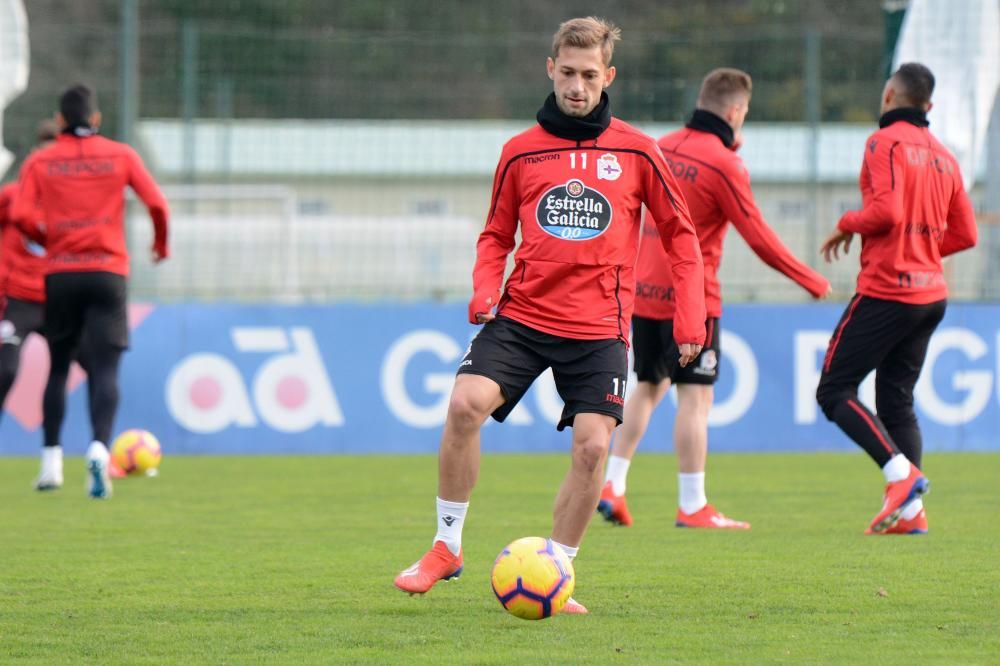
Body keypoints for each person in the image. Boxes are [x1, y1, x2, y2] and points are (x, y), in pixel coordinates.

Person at [394, 17, 706, 613]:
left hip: (599, 328)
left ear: (608, 76)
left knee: (593, 448)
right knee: (463, 406)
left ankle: (556, 572)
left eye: (590, 76)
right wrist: (486, 287)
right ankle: (446, 545)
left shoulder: (640, 150)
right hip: (524, 315)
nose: (577, 87)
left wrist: (690, 320)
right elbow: (494, 234)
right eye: (567, 73)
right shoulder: (519, 152)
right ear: (550, 69)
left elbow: (681, 237)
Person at [598, 68, 832, 529]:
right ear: (736, 111)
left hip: (642, 292)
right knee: (695, 398)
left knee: (647, 387)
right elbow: (759, 237)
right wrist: (811, 279)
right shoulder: (723, 164)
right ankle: (692, 504)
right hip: (691, 299)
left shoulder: (659, 146)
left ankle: (613, 484)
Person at [817, 63, 976, 535]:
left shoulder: (882, 142)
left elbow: (887, 211)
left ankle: (900, 474)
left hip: (889, 290)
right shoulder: (945, 156)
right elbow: (965, 234)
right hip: (931, 294)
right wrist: (924, 251)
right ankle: (911, 514)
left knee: (833, 390)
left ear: (889, 95)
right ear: (928, 106)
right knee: (897, 400)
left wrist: (848, 221)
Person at [12, 84, 169, 499]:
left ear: (60, 121)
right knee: (105, 369)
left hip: (61, 273)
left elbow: (21, 214)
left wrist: (50, 242)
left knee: (59, 365)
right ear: (96, 120)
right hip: (107, 272)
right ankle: (100, 448)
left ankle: (51, 463)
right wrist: (160, 244)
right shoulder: (121, 154)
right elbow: (157, 203)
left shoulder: (41, 161)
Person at [0, 121, 61, 484]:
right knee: (5, 372)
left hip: (60, 300)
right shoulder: (12, 196)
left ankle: (52, 461)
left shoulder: (74, 202)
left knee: (77, 367)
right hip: (18, 301)